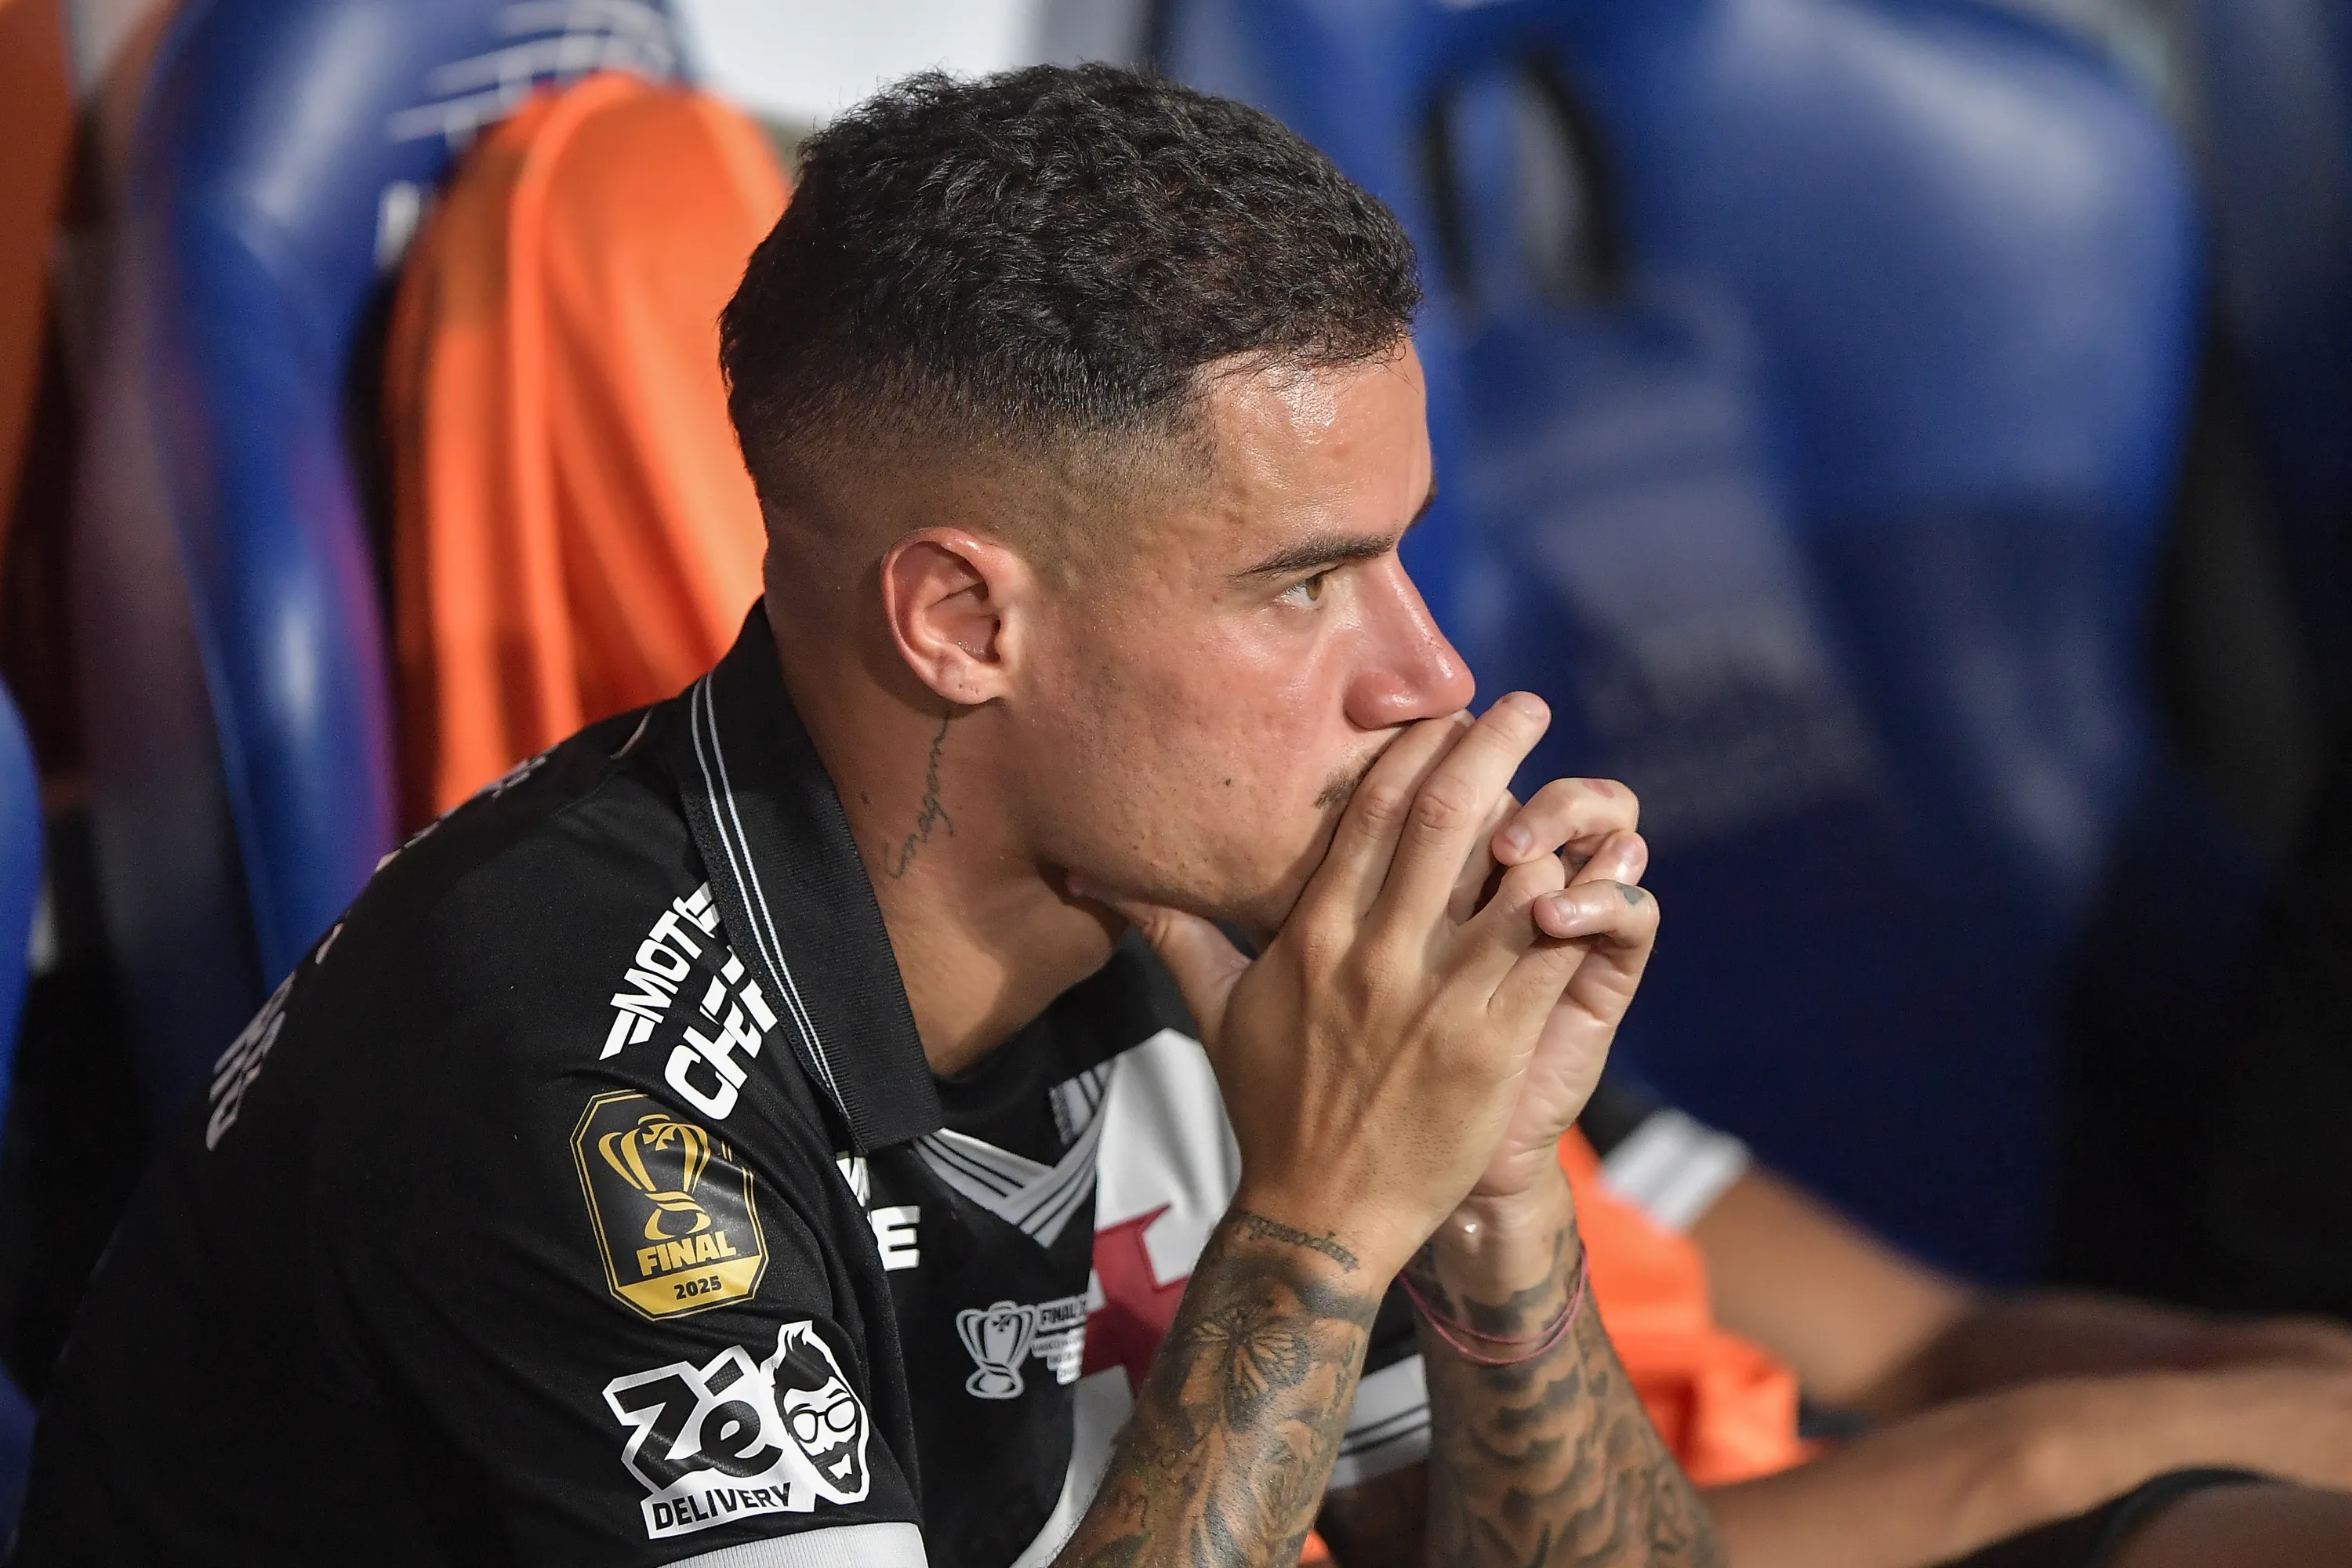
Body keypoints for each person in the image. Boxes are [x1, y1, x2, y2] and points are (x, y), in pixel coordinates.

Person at [9, 66, 1704, 1568]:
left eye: (1398, 551)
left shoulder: (1230, 897)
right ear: (962, 622)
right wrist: (1319, 1226)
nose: (1427, 675)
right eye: (1305, 583)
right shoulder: (567, 1072)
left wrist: (1490, 1193)